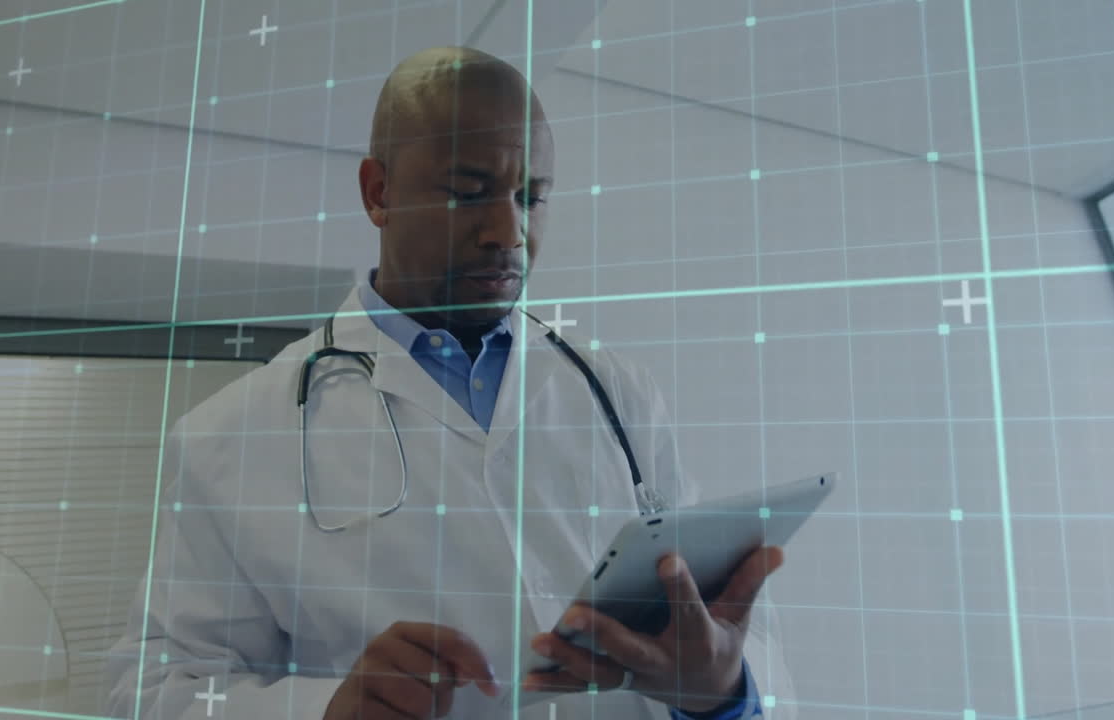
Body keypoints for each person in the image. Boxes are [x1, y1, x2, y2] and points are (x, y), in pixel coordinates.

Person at [106, 47, 796, 720]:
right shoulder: (234, 435)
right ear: (379, 192)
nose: (509, 231)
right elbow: (157, 689)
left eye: (531, 196)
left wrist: (723, 691)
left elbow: (722, 630)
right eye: (468, 193)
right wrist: (325, 709)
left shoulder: (617, 391)